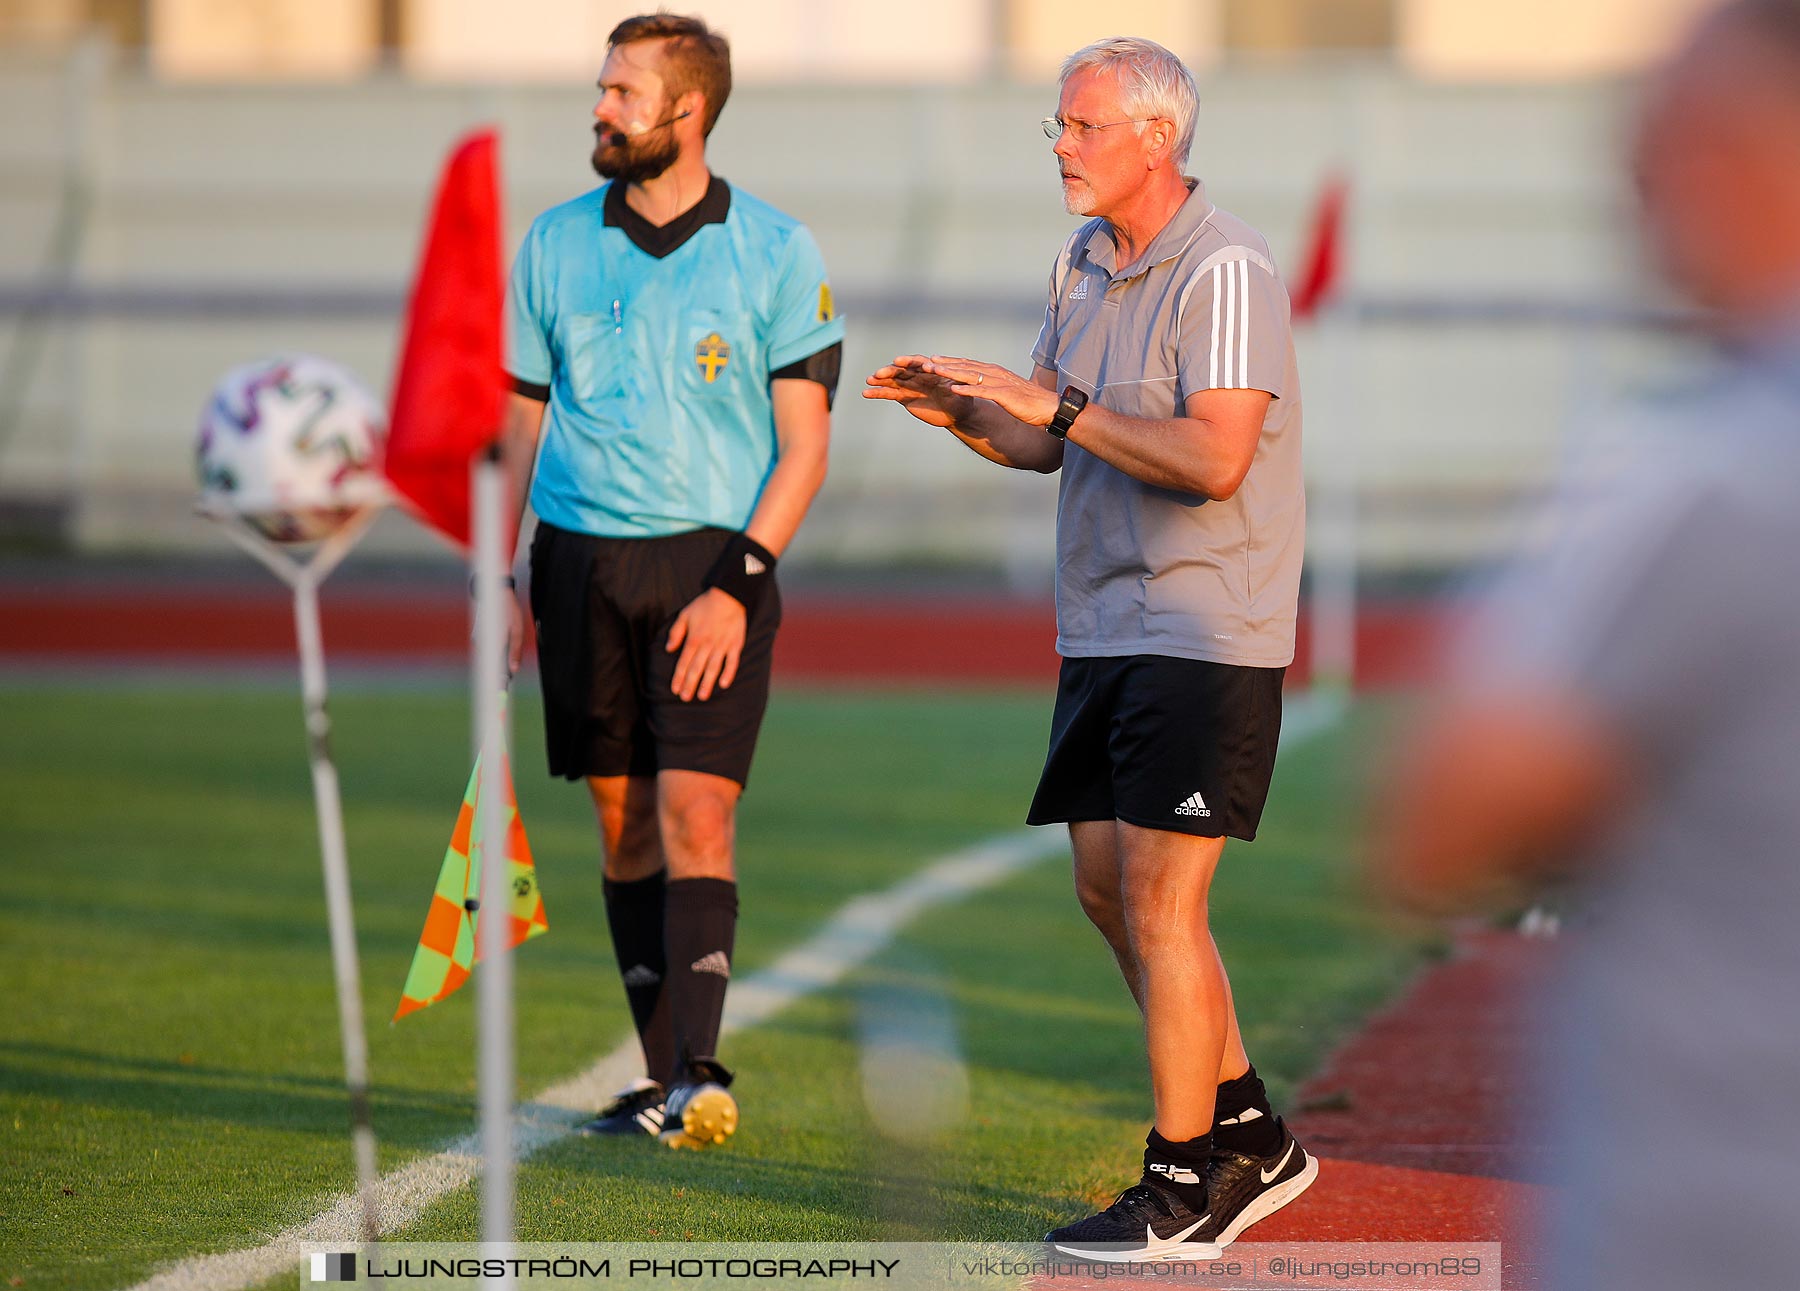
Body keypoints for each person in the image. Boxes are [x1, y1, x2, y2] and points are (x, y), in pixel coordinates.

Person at [865, 36, 1314, 1259]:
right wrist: (966, 409)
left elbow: (1214, 460)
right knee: (1109, 893)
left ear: (1159, 139)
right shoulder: (1080, 257)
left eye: (1082, 126)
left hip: (1206, 624)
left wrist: (1048, 402)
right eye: (1057, 127)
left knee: (1168, 903)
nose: (1060, 146)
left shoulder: (1227, 267)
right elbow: (1051, 443)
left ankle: (1181, 1182)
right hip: (1105, 622)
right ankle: (1253, 1135)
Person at [1380, 3, 1800, 1288]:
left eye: (1668, 136)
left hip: (1710, 1212)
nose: (1634, 180)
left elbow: (1440, 822)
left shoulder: (1710, 469)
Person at [500, 11, 842, 1151]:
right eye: (601, 89)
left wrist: (738, 582)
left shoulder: (777, 251)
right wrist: (504, 571)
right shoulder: (551, 243)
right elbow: (520, 419)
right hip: (576, 562)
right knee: (621, 820)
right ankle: (660, 1080)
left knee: (698, 810)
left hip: (711, 566)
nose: (599, 108)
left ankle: (701, 1074)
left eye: (621, 93)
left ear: (687, 112)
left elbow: (805, 447)